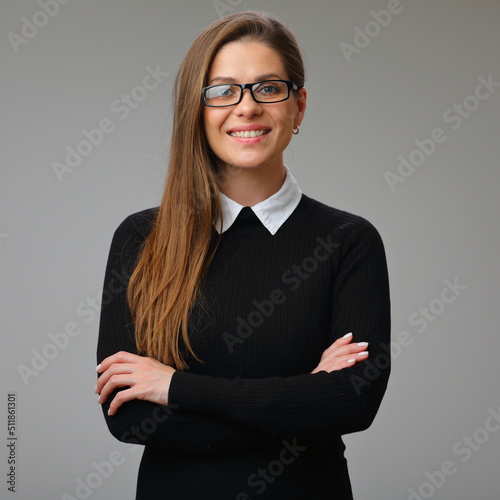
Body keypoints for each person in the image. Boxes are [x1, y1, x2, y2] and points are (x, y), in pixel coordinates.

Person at [95, 11, 390, 500]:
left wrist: (177, 388)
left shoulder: (348, 241)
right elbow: (132, 419)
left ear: (299, 107)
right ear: (197, 108)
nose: (246, 108)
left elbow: (352, 404)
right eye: (222, 90)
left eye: (268, 88)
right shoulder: (140, 237)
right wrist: (304, 394)